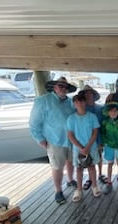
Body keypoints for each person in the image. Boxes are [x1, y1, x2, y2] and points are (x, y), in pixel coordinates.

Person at [29, 76, 77, 205]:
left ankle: (71, 179)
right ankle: (58, 190)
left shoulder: (71, 102)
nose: (63, 88)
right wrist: (40, 139)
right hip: (54, 140)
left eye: (65, 86)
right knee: (57, 167)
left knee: (71, 162)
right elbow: (34, 123)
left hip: (71, 140)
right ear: (54, 87)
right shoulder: (43, 100)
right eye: (60, 85)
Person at [67, 94, 102, 202]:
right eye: (76, 102)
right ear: (74, 104)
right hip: (78, 149)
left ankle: (95, 186)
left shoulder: (92, 116)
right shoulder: (71, 118)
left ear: (85, 103)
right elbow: (70, 135)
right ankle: (79, 189)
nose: (79, 104)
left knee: (92, 166)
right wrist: (81, 147)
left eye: (81, 101)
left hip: (91, 147)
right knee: (78, 169)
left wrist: (87, 147)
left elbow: (95, 132)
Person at [78, 85, 108, 189]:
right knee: (88, 158)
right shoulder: (82, 108)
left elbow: (105, 123)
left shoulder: (100, 108)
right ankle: (90, 178)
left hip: (99, 136)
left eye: (90, 93)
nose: (88, 95)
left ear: (94, 95)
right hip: (85, 138)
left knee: (99, 156)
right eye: (85, 93)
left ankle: (100, 174)